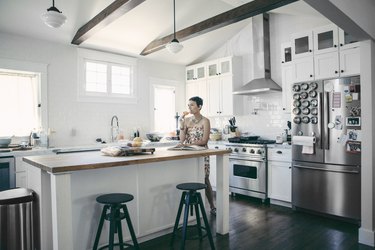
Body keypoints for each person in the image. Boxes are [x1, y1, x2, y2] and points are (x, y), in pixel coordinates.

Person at [178, 96, 216, 215]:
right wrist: (181, 123)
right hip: (189, 153)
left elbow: (204, 141)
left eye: (192, 105)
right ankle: (193, 212)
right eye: (188, 105)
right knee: (190, 176)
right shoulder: (187, 120)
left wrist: (189, 144)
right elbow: (182, 139)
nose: (189, 107)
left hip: (201, 153)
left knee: (204, 178)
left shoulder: (205, 121)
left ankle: (212, 206)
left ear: (199, 106)